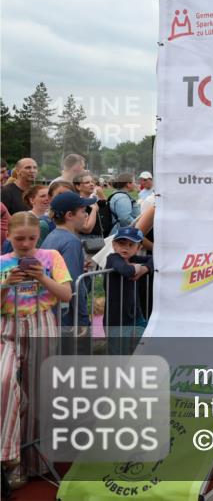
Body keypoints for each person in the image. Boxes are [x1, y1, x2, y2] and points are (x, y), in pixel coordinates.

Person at [1, 212, 72, 489]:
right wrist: (6, 284)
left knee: (39, 394)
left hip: (42, 323)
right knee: (5, 380)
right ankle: (9, 456)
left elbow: (65, 294)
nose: (26, 244)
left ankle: (32, 463)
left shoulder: (51, 256)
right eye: (19, 238)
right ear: (9, 236)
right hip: (6, 326)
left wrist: (42, 277)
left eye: (31, 238)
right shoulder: (2, 262)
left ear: (38, 236)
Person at [41, 191, 96, 332]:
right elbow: (74, 283)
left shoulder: (52, 236)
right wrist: (83, 319)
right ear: (69, 215)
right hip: (66, 315)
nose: (86, 215)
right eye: (83, 211)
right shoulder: (71, 241)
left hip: (51, 309)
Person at [104, 227, 153, 354]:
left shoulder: (134, 259)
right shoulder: (113, 258)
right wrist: (137, 268)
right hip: (116, 321)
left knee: (144, 349)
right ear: (114, 245)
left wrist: (145, 268)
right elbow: (126, 270)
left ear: (139, 248)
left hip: (136, 316)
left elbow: (156, 259)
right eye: (122, 243)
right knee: (119, 356)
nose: (125, 248)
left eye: (131, 245)